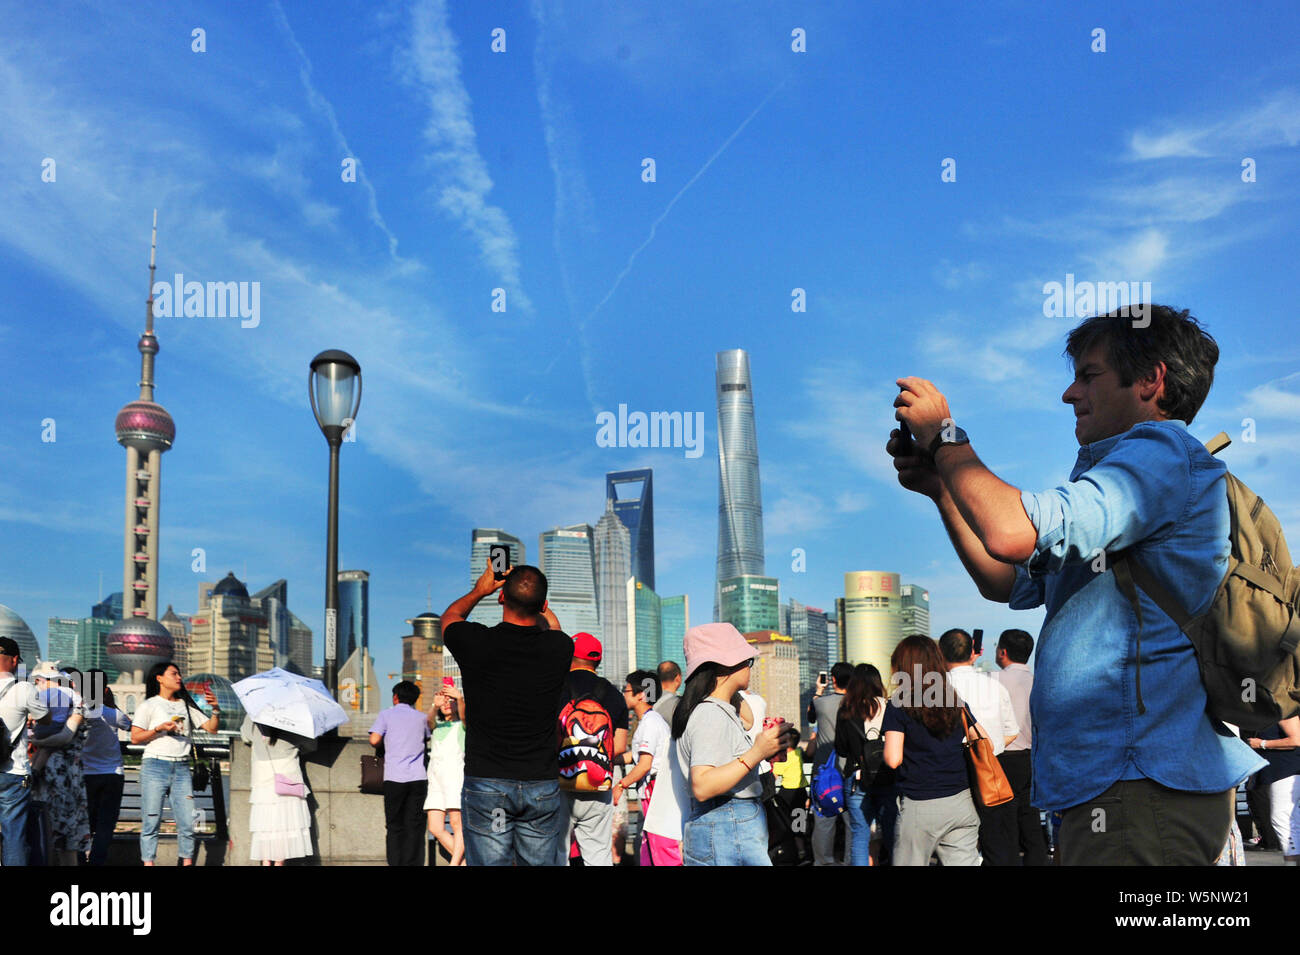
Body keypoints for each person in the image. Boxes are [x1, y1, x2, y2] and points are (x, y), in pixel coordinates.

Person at [888, 304, 1266, 865]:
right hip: (1119, 786)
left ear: (1150, 380)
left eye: (1088, 375)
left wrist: (946, 438)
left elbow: (1011, 531)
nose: (1070, 393)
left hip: (1138, 784)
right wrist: (944, 489)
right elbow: (1004, 580)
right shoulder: (1129, 475)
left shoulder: (1158, 456)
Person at [441, 561, 573, 866]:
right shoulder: (560, 647)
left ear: (502, 598)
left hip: (488, 785)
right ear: (543, 605)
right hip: (541, 786)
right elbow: (554, 629)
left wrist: (480, 590)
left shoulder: (476, 642)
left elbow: (450, 617)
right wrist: (541, 605)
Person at [672, 623, 783, 866]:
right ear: (726, 665)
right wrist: (757, 752)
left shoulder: (712, 710)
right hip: (728, 822)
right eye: (747, 661)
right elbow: (702, 784)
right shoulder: (710, 714)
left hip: (722, 823)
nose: (750, 668)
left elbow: (747, 720)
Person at [882, 635, 982, 866]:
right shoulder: (954, 700)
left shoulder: (899, 703)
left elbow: (893, 759)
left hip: (921, 803)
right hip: (962, 801)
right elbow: (980, 738)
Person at [938, 629, 1019, 865]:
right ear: (972, 652)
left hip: (951, 772)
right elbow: (1011, 732)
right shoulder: (994, 685)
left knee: (956, 846)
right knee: (995, 840)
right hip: (991, 769)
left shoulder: (936, 689)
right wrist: (984, 751)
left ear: (941, 653)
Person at [130, 661, 220, 866]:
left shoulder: (185, 705)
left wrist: (215, 710)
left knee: (187, 822)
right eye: (174, 674)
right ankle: (148, 863)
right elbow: (135, 738)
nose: (179, 677)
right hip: (155, 766)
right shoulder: (149, 705)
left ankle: (186, 862)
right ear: (159, 678)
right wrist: (159, 729)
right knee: (151, 820)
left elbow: (211, 728)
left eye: (179, 674)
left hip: (181, 768)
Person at [561, 633, 628, 866]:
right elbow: (618, 746)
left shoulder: (554, 687)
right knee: (599, 855)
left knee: (557, 855)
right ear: (597, 661)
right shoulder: (615, 695)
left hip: (559, 783)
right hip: (598, 785)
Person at [994, 629, 1049, 865]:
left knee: (1005, 821)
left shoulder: (993, 681)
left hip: (1003, 758)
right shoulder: (1040, 682)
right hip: (1032, 758)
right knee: (1031, 820)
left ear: (1003, 652)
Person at [835, 663, 898, 866]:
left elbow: (841, 748)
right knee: (892, 834)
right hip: (887, 776)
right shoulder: (890, 707)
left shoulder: (846, 709)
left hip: (856, 777)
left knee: (859, 836)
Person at [29, 663, 91, 866]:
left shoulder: (79, 706)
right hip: (54, 777)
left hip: (63, 778)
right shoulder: (47, 705)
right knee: (49, 833)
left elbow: (64, 737)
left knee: (65, 836)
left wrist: (35, 742)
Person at [614, 670, 676, 866]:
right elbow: (634, 756)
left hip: (655, 791)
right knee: (649, 846)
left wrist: (621, 785)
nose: (624, 693)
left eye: (627, 689)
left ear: (641, 694)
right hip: (653, 791)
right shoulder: (650, 721)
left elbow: (644, 765)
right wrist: (609, 760)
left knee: (661, 847)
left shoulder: (650, 723)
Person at [368, 680, 430, 866]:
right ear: (414, 699)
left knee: (394, 826)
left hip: (394, 777)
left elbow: (374, 740)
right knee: (415, 826)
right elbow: (426, 737)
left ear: (395, 697)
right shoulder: (421, 717)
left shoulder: (386, 715)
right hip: (418, 778)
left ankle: (395, 863)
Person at [0, 638, 50, 867]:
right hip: (13, 771)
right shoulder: (23, 688)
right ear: (13, 661)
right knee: (13, 837)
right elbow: (46, 718)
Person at [241, 714, 315, 866]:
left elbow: (246, 736)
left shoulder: (255, 714)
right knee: (284, 828)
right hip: (288, 780)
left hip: (262, 780)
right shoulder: (295, 717)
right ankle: (279, 863)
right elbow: (311, 745)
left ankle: (266, 863)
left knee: (265, 828)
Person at [81, 675, 133, 866]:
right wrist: (112, 704)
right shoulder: (112, 714)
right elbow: (130, 725)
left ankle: (80, 860)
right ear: (105, 691)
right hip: (112, 775)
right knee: (105, 825)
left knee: (84, 824)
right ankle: (97, 862)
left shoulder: (78, 712)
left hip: (85, 775)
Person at [807, 661, 853, 865]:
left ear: (832, 679)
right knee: (853, 821)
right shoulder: (857, 703)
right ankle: (851, 860)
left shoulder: (821, 703)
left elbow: (810, 716)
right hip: (850, 768)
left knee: (824, 819)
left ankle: (824, 861)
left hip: (824, 769)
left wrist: (818, 690)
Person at [1245, 716, 1300, 865]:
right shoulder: (1274, 710)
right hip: (1278, 771)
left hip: (1286, 771)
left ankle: (1291, 861)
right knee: (1290, 819)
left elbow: (1296, 740)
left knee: (1281, 818)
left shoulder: (1284, 710)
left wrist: (1262, 743)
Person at [424, 680, 466, 866]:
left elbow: (466, 717)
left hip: (455, 777)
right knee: (435, 827)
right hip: (435, 779)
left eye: (451, 701)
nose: (447, 704)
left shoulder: (462, 726)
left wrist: (460, 698)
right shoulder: (438, 725)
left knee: (457, 824)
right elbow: (428, 721)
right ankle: (465, 862)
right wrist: (435, 704)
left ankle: (455, 863)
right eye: (445, 701)